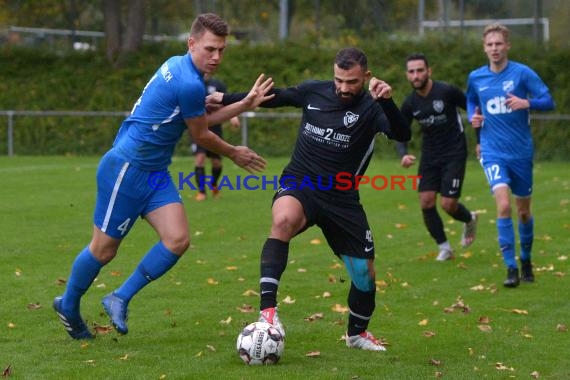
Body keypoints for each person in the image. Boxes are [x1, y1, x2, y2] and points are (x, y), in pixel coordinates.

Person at [53, 13, 274, 339]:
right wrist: (234, 152)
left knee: (177, 240)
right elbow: (200, 134)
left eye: (221, 50)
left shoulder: (181, 67)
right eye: (210, 49)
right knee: (103, 250)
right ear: (192, 43)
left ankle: (119, 297)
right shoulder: (187, 82)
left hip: (153, 172)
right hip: (126, 169)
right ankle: (68, 304)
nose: (216, 57)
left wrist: (246, 102)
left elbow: (200, 118)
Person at [209, 47, 411, 351]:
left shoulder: (373, 107)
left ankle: (356, 334)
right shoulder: (315, 91)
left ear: (366, 77)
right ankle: (268, 314)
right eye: (339, 80)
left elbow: (401, 132)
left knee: (364, 275)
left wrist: (388, 101)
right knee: (283, 219)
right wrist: (225, 98)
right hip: (300, 182)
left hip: (342, 198)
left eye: (351, 82)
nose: (343, 88)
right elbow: (276, 97)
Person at [466, 23, 555, 287]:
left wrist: (526, 102)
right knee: (503, 205)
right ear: (484, 48)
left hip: (520, 153)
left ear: (507, 46)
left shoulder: (522, 73)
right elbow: (471, 100)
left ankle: (526, 259)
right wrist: (474, 116)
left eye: (498, 44)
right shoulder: (476, 77)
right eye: (490, 44)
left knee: (523, 212)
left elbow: (548, 100)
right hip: (493, 152)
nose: (494, 48)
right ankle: (510, 269)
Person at [398, 53, 478, 261]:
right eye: (412, 71)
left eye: (420, 70)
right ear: (407, 75)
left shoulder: (447, 91)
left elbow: (472, 108)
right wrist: (404, 154)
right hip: (430, 155)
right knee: (426, 201)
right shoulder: (410, 103)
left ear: (428, 71)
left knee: (448, 204)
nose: (416, 75)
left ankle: (469, 219)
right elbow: (400, 131)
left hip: (454, 152)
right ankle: (445, 248)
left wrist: (480, 139)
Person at [192, 75, 241, 201]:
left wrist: (233, 116)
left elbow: (226, 102)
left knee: (217, 163)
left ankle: (214, 185)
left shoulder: (218, 85)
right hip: (198, 127)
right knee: (200, 159)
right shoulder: (192, 83)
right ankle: (201, 192)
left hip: (215, 128)